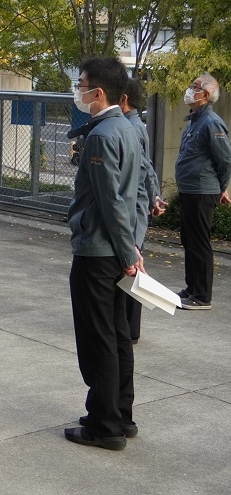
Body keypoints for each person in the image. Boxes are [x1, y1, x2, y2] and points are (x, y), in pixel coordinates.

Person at [64, 57, 142, 451]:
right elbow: (135, 193)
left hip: (98, 250)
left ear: (99, 92)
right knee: (117, 335)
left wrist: (127, 252)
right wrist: (132, 248)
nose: (77, 91)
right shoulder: (127, 128)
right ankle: (119, 414)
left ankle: (104, 425)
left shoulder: (102, 136)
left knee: (99, 340)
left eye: (81, 85)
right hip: (117, 247)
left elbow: (110, 201)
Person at [174, 73, 231, 310]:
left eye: (195, 87)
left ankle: (202, 295)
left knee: (199, 242)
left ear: (206, 95)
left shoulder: (211, 123)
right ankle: (192, 288)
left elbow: (225, 160)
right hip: (190, 190)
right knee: (189, 240)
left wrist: (221, 188)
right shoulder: (195, 120)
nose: (190, 89)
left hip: (201, 191)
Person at [119, 79, 166, 342]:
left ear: (123, 98)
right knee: (131, 266)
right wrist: (154, 196)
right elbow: (148, 167)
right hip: (138, 206)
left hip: (132, 210)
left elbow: (144, 169)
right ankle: (129, 329)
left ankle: (129, 330)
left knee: (131, 266)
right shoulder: (135, 125)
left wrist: (151, 197)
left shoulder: (130, 128)